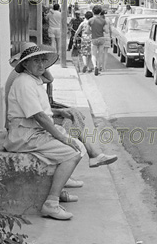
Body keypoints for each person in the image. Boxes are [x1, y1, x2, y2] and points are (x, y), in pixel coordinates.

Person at [6, 45, 118, 220]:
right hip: (24, 135)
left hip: (32, 131)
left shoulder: (32, 79)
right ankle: (51, 203)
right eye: (36, 60)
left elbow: (42, 109)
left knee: (74, 140)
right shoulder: (24, 83)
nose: (41, 64)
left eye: (44, 60)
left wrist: (59, 115)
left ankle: (62, 187)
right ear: (25, 63)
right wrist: (62, 137)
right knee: (72, 151)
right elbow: (39, 117)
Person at [88, 5, 112, 76]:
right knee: (101, 54)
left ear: (93, 12)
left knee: (94, 54)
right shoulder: (103, 21)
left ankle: (95, 66)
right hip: (102, 38)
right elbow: (106, 31)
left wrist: (92, 32)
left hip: (94, 38)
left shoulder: (91, 20)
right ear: (100, 12)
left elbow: (87, 31)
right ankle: (99, 67)